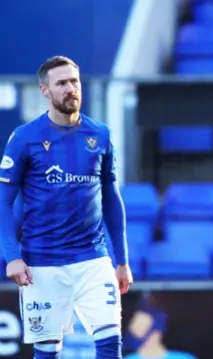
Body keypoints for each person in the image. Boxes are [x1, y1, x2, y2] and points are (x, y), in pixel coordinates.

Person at [0, 56, 133, 359]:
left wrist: (122, 260)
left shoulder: (100, 134)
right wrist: (12, 256)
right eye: (61, 83)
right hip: (42, 264)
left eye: (74, 81)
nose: (71, 88)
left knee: (111, 345)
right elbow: (3, 200)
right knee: (48, 353)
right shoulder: (24, 138)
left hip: (93, 259)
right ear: (45, 91)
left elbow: (111, 197)